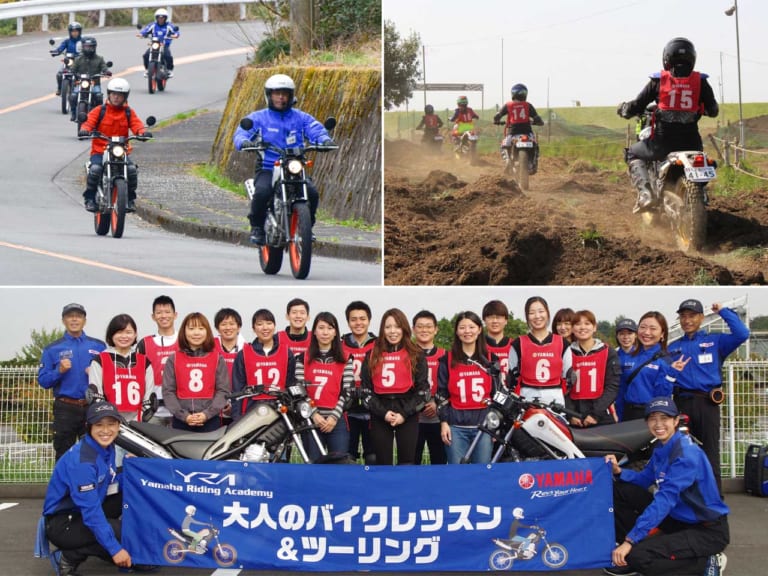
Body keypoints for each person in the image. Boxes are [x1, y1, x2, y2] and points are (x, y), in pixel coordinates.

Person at [605, 397, 729, 576]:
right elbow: (643, 479)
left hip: (706, 530)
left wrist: (630, 540)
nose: (658, 424)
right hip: (678, 520)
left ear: (676, 421)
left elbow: (664, 500)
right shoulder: (663, 448)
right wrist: (618, 472)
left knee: (640, 557)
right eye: (653, 419)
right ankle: (632, 553)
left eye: (665, 418)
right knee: (619, 491)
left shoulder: (686, 455)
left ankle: (707, 562)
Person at [42, 402, 149, 575]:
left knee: (132, 486)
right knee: (121, 532)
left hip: (84, 510)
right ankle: (68, 555)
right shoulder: (82, 462)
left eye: (111, 424)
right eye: (99, 425)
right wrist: (115, 549)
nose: (106, 431)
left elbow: (111, 480)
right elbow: (91, 514)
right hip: (63, 523)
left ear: (118, 425)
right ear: (88, 427)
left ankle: (123, 549)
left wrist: (132, 468)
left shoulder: (107, 447)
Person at [617, 37, 719, 213]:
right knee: (707, 162)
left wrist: (624, 109)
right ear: (692, 58)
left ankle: (645, 194)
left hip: (662, 144)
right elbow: (714, 110)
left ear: (667, 58)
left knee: (632, 153)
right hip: (692, 143)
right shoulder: (701, 81)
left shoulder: (658, 81)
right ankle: (700, 191)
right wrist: (701, 109)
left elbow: (637, 105)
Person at [233, 74, 335, 245]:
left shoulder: (300, 117)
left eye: (284, 94)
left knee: (312, 193)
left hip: (294, 165)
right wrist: (243, 141)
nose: (281, 97)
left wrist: (324, 140)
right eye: (276, 93)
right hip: (268, 166)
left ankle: (307, 228)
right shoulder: (259, 117)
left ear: (291, 96)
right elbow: (242, 132)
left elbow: (315, 129)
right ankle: (257, 227)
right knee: (262, 193)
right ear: (269, 95)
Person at [668, 299, 749, 491]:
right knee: (683, 452)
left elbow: (742, 333)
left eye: (692, 316)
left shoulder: (716, 341)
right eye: (683, 316)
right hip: (681, 403)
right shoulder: (672, 347)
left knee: (710, 451)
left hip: (707, 403)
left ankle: (713, 498)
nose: (687, 320)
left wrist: (723, 311)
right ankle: (688, 498)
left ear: (701, 318)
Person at [360, 308, 430, 466]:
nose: (393, 331)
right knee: (381, 462)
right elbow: (365, 391)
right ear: (382, 330)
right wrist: (383, 413)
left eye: (397, 326)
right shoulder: (371, 355)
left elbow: (423, 391)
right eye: (388, 327)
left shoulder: (416, 355)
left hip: (407, 413)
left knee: (407, 463)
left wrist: (404, 414)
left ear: (404, 328)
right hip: (380, 413)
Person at [38, 303, 106, 461]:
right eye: (70, 316)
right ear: (63, 320)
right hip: (65, 408)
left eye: (78, 316)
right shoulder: (52, 349)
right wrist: (58, 371)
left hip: (92, 406)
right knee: (64, 453)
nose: (74, 319)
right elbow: (43, 381)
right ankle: (64, 486)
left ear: (84, 320)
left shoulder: (99, 346)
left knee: (93, 452)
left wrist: (97, 373)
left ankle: (91, 485)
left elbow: (110, 376)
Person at [78, 78, 151, 213]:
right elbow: (89, 122)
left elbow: (137, 124)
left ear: (125, 97)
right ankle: (89, 199)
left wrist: (143, 132)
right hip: (100, 150)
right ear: (109, 94)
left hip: (120, 150)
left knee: (131, 170)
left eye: (120, 95)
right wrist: (85, 129)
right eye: (114, 94)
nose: (116, 97)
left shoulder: (128, 112)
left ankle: (129, 200)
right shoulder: (100, 110)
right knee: (95, 169)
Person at [437, 311, 499, 464]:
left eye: (471, 327)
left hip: (483, 427)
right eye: (462, 327)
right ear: (457, 331)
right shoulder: (447, 359)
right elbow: (441, 394)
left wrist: (495, 426)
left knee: (482, 473)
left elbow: (498, 393)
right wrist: (444, 422)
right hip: (456, 427)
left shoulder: (491, 359)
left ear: (479, 330)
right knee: (457, 473)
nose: (467, 331)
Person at [294, 312, 354, 461]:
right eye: (321, 328)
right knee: (314, 466)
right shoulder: (302, 358)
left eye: (329, 328)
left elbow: (348, 392)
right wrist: (314, 414)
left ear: (335, 332)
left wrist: (333, 417)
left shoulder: (346, 358)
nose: (325, 332)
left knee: (339, 467)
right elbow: (299, 392)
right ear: (314, 331)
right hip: (312, 420)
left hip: (337, 421)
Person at [162, 312, 229, 432]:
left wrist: (206, 414)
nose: (196, 333)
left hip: (211, 422)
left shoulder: (217, 358)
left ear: (207, 331)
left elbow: (223, 390)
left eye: (201, 328)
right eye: (191, 328)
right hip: (181, 422)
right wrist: (184, 416)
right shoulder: (173, 359)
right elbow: (168, 391)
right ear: (184, 331)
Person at [231, 309, 297, 421]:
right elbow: (237, 390)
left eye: (269, 323)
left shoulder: (286, 353)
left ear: (274, 326)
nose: (265, 328)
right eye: (260, 324)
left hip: (280, 411)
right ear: (253, 329)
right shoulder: (243, 354)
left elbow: (290, 384)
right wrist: (237, 417)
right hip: (251, 411)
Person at [621, 311, 688, 421]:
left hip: (650, 415)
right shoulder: (628, 357)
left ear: (662, 334)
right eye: (643, 327)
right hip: (626, 413)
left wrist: (671, 373)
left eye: (653, 328)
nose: (647, 332)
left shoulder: (665, 361)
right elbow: (621, 389)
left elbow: (662, 395)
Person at [88, 314, 154, 422]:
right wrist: (110, 417)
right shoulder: (100, 360)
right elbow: (95, 394)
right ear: (111, 334)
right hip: (109, 422)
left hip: (138, 423)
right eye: (119, 332)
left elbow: (149, 397)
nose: (124, 336)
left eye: (128, 332)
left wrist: (140, 419)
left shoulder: (145, 361)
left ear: (135, 334)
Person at [508, 296, 572, 406]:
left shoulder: (563, 344)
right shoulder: (517, 344)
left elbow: (569, 377)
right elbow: (511, 379)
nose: (537, 316)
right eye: (532, 312)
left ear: (547, 313)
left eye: (541, 311)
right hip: (527, 400)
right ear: (527, 316)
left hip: (555, 401)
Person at [566, 310, 620, 427]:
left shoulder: (608, 352)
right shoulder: (567, 353)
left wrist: (595, 414)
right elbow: (563, 386)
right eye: (578, 324)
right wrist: (571, 414)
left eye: (587, 323)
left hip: (601, 416)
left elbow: (613, 386)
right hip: (576, 417)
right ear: (573, 328)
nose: (582, 327)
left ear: (594, 327)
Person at [341, 301, 377, 464]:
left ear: (369, 320)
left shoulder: (378, 345)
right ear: (348, 322)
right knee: (348, 456)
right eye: (354, 319)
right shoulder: (340, 346)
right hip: (348, 410)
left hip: (372, 409)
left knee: (373, 456)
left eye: (362, 319)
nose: (358, 323)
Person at [136, 295, 178, 427]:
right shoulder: (144, 343)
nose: (163, 316)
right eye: (159, 313)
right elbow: (136, 375)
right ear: (153, 316)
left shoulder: (185, 341)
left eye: (167, 312)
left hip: (179, 411)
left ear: (175, 315)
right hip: (153, 412)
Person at [412, 310, 447, 465]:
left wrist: (437, 403)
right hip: (413, 417)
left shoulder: (445, 355)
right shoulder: (407, 355)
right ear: (413, 329)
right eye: (420, 326)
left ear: (436, 329)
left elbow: (449, 385)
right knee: (412, 462)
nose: (424, 330)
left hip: (438, 418)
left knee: (439, 463)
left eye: (428, 326)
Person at [493, 83, 545, 173]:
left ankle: (508, 160)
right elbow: (537, 118)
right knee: (535, 145)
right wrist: (539, 122)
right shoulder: (528, 105)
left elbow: (497, 116)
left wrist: (496, 121)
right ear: (525, 94)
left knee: (504, 145)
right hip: (527, 131)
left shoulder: (508, 105)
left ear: (513, 94)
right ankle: (534, 162)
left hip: (513, 131)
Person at [213, 307, 245, 426]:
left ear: (239, 327)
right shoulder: (209, 348)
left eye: (232, 324)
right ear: (217, 328)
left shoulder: (247, 349)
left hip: (239, 408)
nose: (228, 328)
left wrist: (234, 405)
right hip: (213, 410)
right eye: (223, 324)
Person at [68, 36, 111, 122]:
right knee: (73, 96)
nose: (88, 49)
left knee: (98, 96)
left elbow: (104, 67)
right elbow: (73, 68)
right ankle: (73, 113)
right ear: (83, 47)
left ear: (94, 47)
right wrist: (71, 72)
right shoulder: (78, 59)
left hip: (94, 83)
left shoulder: (99, 59)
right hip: (80, 83)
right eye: (86, 47)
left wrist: (106, 71)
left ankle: (99, 115)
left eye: (90, 47)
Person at [137, 8, 180, 78]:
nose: (161, 19)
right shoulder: (153, 25)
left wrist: (175, 35)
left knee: (168, 56)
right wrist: (141, 34)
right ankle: (148, 69)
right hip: (154, 44)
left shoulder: (169, 25)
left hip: (164, 45)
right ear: (156, 18)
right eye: (159, 18)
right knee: (146, 55)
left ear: (165, 18)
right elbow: (145, 30)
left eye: (162, 18)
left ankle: (169, 70)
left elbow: (176, 32)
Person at [614, 318, 638, 422]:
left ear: (636, 335)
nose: (626, 337)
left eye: (629, 333)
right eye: (622, 333)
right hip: (617, 403)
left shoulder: (642, 356)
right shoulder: (612, 356)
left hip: (636, 404)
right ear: (617, 336)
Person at [483, 300, 513, 379]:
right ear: (484, 320)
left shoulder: (515, 346)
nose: (494, 321)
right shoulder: (477, 346)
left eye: (498, 317)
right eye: (490, 317)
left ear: (506, 320)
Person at [49, 21, 82, 95]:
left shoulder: (83, 41)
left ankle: (84, 91)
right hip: (68, 61)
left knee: (84, 76)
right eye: (73, 31)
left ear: (79, 32)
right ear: (70, 32)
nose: (74, 33)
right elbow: (60, 48)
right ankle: (60, 88)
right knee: (59, 74)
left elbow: (88, 49)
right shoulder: (67, 41)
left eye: (76, 31)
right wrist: (55, 52)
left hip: (80, 62)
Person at [449, 95, 480, 163]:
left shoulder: (457, 111)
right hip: (470, 127)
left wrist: (450, 119)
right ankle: (461, 146)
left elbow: (453, 118)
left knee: (453, 132)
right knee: (474, 135)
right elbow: (476, 116)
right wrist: (476, 117)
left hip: (461, 127)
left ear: (458, 104)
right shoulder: (470, 110)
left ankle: (456, 145)